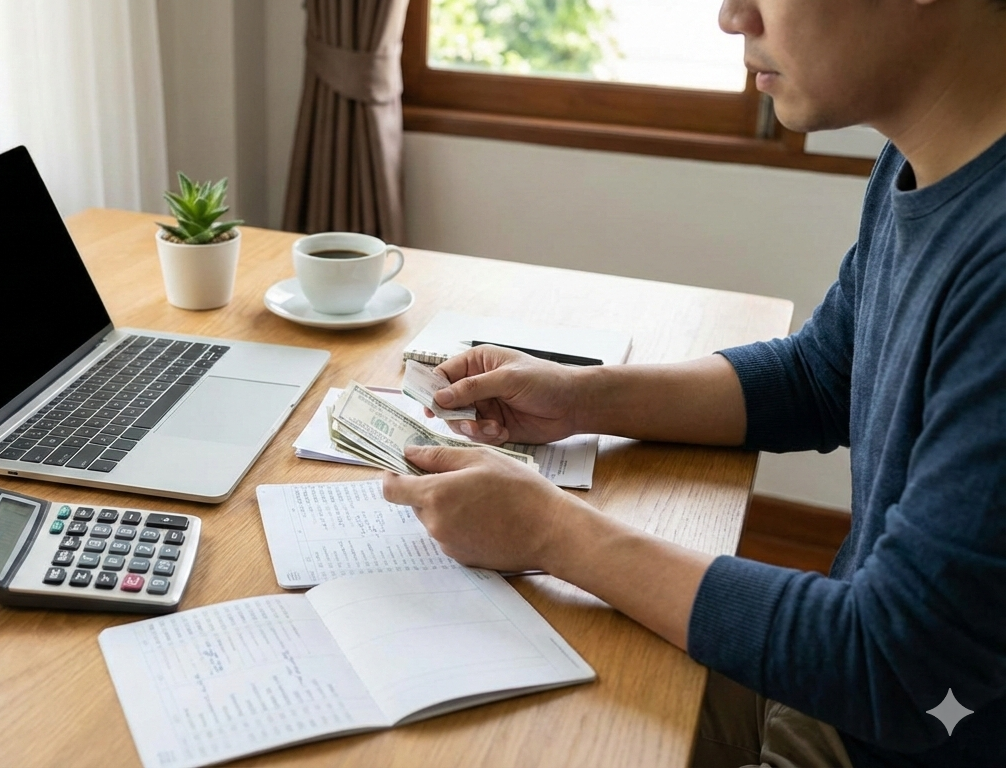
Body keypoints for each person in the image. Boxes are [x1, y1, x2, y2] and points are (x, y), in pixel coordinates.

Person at [380, 0, 1006, 765]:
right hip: (852, 704)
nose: (730, 16)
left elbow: (897, 667)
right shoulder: (922, 160)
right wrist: (577, 396)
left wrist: (550, 531)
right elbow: (822, 375)